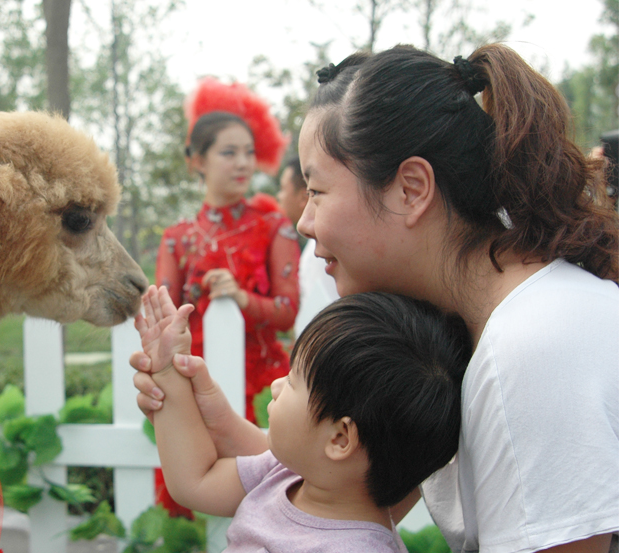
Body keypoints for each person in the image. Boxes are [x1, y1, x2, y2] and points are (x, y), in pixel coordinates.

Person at [133, 44, 619, 553]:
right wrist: (203, 412)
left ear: (411, 189)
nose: (303, 221)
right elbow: (325, 481)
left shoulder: (529, 350)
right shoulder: (458, 330)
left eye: (317, 192)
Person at [135, 285, 471, 552]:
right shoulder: (288, 475)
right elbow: (196, 481)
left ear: (340, 438)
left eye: (295, 380)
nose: (277, 385)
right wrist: (168, 374)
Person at [156, 77, 300, 424]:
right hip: (189, 387)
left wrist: (241, 298)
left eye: (249, 152)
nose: (243, 163)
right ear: (197, 161)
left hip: (260, 389)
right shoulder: (177, 237)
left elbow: (287, 312)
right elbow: (164, 319)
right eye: (229, 153)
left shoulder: (274, 227)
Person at [277, 155, 339, 335]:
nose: (278, 197)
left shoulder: (320, 252)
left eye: (282, 189)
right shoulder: (314, 247)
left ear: (303, 195)